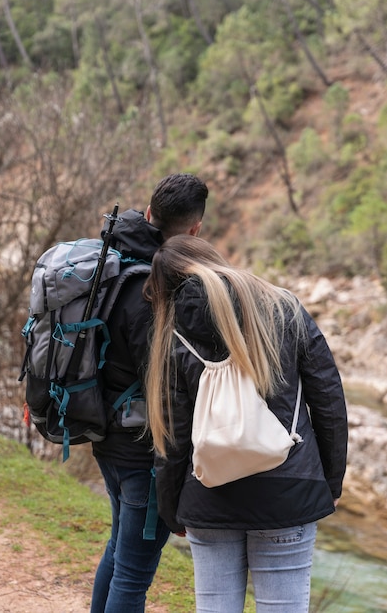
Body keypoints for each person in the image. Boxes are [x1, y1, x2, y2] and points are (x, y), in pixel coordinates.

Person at [144, 234, 348, 613]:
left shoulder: (172, 335)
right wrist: (330, 482)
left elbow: (171, 436)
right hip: (289, 490)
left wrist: (172, 509)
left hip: (207, 495)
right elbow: (329, 400)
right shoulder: (283, 306)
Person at [90, 174, 209, 613]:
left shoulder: (111, 253)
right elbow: (168, 389)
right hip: (141, 448)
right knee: (135, 572)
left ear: (148, 209)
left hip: (104, 428)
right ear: (194, 230)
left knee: (120, 553)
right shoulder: (157, 288)